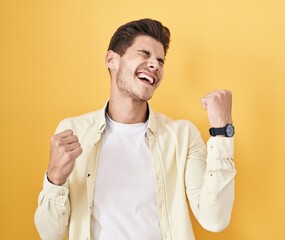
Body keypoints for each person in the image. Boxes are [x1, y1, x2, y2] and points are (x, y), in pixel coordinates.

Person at [34, 18, 236, 240]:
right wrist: (55, 178)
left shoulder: (183, 136)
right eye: (144, 54)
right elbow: (50, 233)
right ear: (112, 59)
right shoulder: (73, 131)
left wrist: (222, 132)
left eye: (160, 60)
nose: (155, 65)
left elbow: (215, 219)